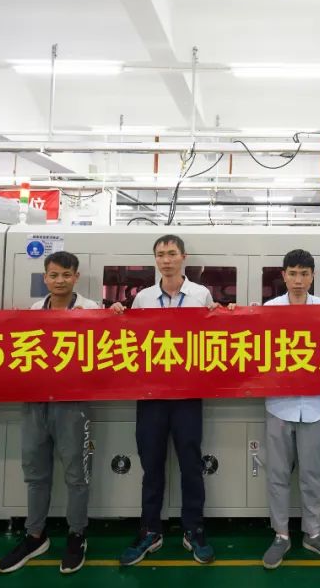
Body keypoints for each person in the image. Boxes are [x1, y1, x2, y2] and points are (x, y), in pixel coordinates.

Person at [0, 251, 123, 574]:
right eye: (53, 275)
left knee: (76, 475)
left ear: (76, 277)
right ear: (45, 277)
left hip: (73, 405)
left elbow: (110, 348)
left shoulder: (91, 310)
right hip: (35, 404)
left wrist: (115, 316)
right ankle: (35, 535)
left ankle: (77, 535)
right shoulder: (33, 312)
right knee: (35, 472)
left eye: (66, 275)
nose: (60, 281)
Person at [119, 235, 220, 566]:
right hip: (151, 395)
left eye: (172, 253)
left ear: (183, 257)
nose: (166, 260)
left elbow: (215, 336)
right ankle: (150, 530)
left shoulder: (201, 295)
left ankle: (194, 529)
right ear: (155, 259)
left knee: (191, 464)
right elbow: (130, 339)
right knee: (151, 465)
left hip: (188, 393)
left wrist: (225, 315)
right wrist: (117, 314)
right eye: (160, 254)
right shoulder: (143, 298)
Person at [261, 249, 320, 569]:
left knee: (312, 475)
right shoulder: (269, 310)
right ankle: (281, 534)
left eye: (304, 274)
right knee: (278, 475)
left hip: (314, 406)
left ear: (312, 276)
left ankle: (313, 532)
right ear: (283, 276)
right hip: (279, 406)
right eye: (293, 273)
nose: (298, 280)